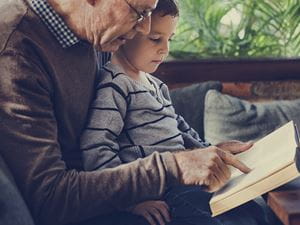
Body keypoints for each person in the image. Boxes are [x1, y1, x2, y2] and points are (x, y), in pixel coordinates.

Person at [0, 0, 265, 225]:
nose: (145, 28)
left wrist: (208, 153)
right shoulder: (16, 49)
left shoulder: (96, 32)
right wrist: (173, 166)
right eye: (139, 12)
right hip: (92, 208)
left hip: (127, 188)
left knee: (251, 205)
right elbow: (49, 199)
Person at [80, 1, 269, 225]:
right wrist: (130, 202)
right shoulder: (115, 86)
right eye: (155, 39)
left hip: (186, 179)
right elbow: (96, 146)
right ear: (129, 32)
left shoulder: (156, 84)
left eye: (169, 39)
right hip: (160, 190)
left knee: (253, 206)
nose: (165, 49)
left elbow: (178, 125)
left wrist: (210, 151)